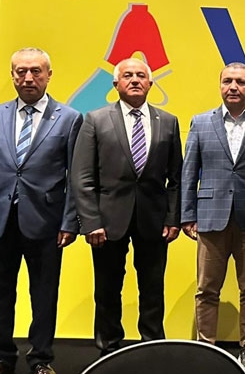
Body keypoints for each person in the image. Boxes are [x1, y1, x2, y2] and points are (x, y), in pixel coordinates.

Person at [71, 58, 183, 356]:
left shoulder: (168, 121)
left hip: (154, 220)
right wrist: (91, 221)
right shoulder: (95, 119)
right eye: (128, 75)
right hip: (107, 222)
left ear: (150, 83)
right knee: (107, 288)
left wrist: (173, 218)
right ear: (116, 84)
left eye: (141, 75)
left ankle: (152, 345)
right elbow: (82, 176)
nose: (135, 80)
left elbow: (177, 177)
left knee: (153, 288)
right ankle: (109, 348)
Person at [181, 62, 245, 374]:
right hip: (210, 216)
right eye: (227, 81)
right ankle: (206, 348)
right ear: (220, 86)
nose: (233, 87)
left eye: (241, 82)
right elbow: (189, 173)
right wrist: (187, 215)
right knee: (206, 289)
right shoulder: (200, 123)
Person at [0, 48, 83, 374]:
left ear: (48, 75)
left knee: (44, 295)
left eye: (35, 71)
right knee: (1, 293)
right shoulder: (0, 114)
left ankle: (40, 359)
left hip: (47, 221)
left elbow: (75, 175)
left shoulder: (69, 118)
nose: (28, 77)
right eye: (21, 71)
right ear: (12, 76)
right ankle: (3, 356)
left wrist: (70, 221)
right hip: (2, 220)